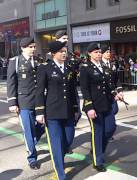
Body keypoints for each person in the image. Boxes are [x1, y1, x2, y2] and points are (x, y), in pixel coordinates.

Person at [35, 41, 79, 180]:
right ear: (54, 53)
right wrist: (39, 112)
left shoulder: (70, 67)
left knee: (68, 138)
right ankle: (61, 174)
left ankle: (59, 155)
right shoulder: (45, 68)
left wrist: (76, 108)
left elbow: (72, 90)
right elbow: (40, 91)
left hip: (68, 111)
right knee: (56, 142)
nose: (64, 53)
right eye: (61, 51)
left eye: (65, 51)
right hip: (52, 111)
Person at [79, 43, 123, 172]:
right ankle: (97, 160)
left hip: (107, 103)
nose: (98, 54)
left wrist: (116, 94)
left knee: (110, 129)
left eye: (99, 52)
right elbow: (85, 89)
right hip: (94, 106)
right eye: (95, 52)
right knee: (97, 133)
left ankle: (98, 149)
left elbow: (109, 85)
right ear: (89, 54)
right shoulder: (85, 68)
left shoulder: (105, 66)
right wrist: (89, 107)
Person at [7, 37, 44, 169]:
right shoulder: (15, 61)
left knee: (42, 126)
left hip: (39, 101)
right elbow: (11, 82)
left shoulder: (39, 61)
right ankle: (32, 158)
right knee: (28, 130)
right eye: (30, 47)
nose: (33, 49)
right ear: (23, 48)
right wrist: (12, 102)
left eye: (34, 47)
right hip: (24, 102)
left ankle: (32, 144)